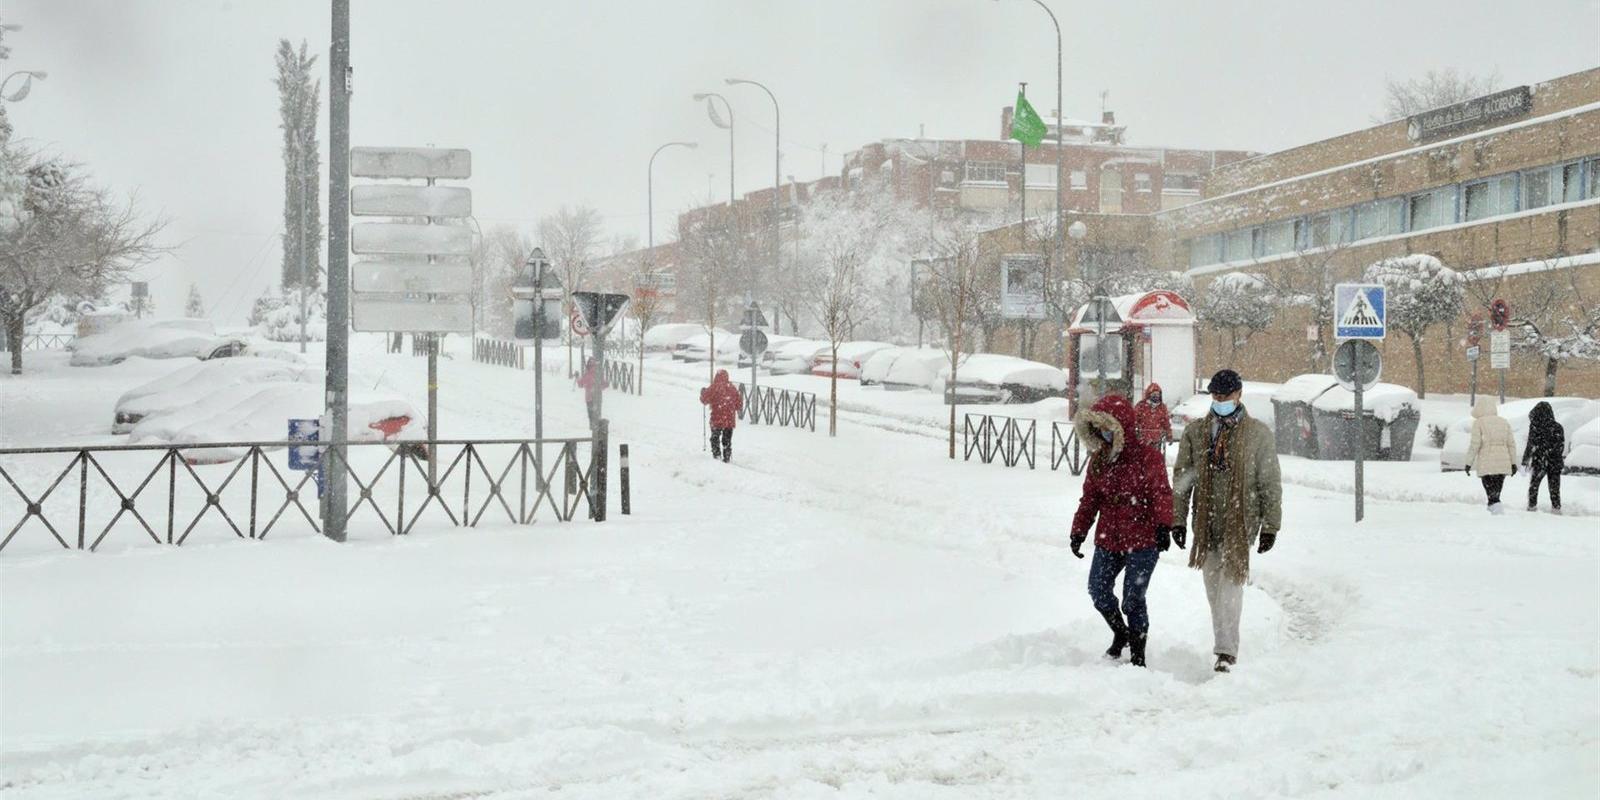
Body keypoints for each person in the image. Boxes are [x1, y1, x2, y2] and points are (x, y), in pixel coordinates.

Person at [1170, 369, 1282, 673]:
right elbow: (1182, 480)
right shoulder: (1196, 433)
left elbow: (1269, 482)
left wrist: (1271, 526)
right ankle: (1224, 642)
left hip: (1241, 523)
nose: (1220, 401)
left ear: (1239, 394)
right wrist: (1177, 520)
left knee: (1230, 589)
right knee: (1213, 591)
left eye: (1226, 396)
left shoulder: (1258, 434)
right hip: (1206, 524)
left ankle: (1226, 652)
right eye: (1216, 396)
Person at [1069, 394, 1175, 668]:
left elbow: (1162, 493)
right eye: (1098, 429)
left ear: (1121, 428)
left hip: (1143, 539)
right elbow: (1090, 499)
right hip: (1109, 538)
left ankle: (1138, 655)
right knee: (1098, 589)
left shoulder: (1148, 458)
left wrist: (1165, 525)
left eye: (1107, 428)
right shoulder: (1099, 461)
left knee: (1133, 598)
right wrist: (1079, 530)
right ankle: (1121, 633)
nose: (1103, 435)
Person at [1465, 396, 1518, 514]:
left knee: (1491, 495)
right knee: (1496, 493)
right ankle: (1494, 514)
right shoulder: (1504, 422)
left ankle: (1497, 515)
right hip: (1503, 464)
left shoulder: (1479, 423)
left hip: (1487, 463)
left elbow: (1475, 444)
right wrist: (1513, 463)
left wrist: (1468, 463)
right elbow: (1511, 444)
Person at [1522, 401, 1564, 514]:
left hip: (1540, 460)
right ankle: (1556, 508)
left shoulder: (1536, 426)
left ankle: (1532, 507)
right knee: (1554, 487)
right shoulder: (1558, 427)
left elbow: (1530, 444)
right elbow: (1561, 446)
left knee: (1534, 485)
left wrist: (1525, 460)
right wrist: (1554, 454)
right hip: (1555, 461)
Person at [699, 369, 743, 463]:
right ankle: (726, 457)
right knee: (727, 440)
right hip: (729, 420)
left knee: (715, 438)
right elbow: (739, 404)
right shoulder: (732, 388)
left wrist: (703, 392)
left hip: (717, 418)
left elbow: (704, 400)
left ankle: (717, 456)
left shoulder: (714, 387)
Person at [1133, 383, 1174, 448]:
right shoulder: (1141, 406)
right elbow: (1134, 420)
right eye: (1154, 394)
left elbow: (1166, 423)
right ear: (1149, 395)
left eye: (1158, 394)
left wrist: (1169, 435)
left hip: (1157, 440)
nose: (1156, 396)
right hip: (1143, 440)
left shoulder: (1162, 407)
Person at [576, 357, 601, 430]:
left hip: (589, 397)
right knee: (596, 413)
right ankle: (597, 425)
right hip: (597, 397)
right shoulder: (598, 373)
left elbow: (580, 384)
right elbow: (604, 383)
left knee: (591, 413)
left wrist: (577, 377)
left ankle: (593, 426)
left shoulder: (587, 374)